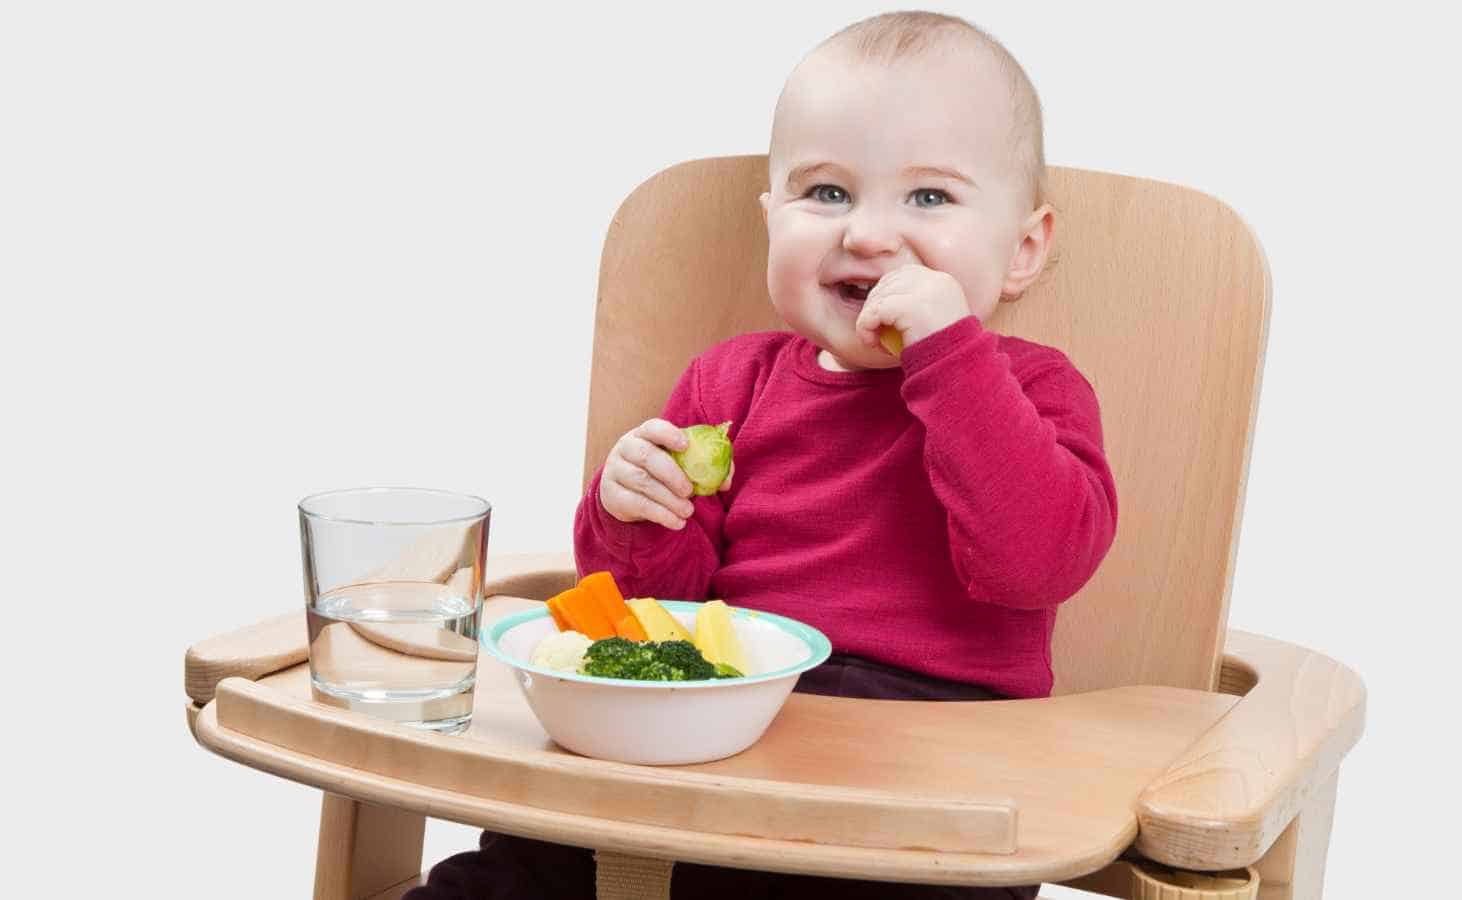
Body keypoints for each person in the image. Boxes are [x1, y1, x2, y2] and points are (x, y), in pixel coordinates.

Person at [411, 10, 1117, 899]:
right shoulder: (728, 385)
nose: (867, 235)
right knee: (518, 862)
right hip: (717, 743)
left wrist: (951, 358)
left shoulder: (1031, 390)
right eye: (826, 194)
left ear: (1022, 251)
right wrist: (631, 508)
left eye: (929, 198)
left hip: (928, 800)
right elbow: (653, 612)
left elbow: (1036, 565)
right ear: (770, 219)